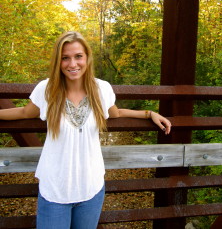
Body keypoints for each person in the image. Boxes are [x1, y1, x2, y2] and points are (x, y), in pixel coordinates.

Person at [0, 31, 171, 229]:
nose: (72, 64)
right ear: (58, 61)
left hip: (91, 188)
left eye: (78, 56)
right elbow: (23, 112)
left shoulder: (102, 89)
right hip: (55, 189)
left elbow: (115, 113)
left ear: (87, 58)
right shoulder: (47, 89)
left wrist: (149, 114)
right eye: (65, 58)